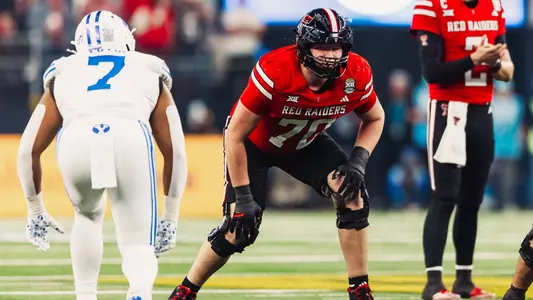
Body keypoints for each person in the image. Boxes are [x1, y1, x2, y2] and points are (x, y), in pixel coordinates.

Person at [167, 8, 385, 300]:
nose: (332, 55)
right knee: (239, 227)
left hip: (304, 142)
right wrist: (243, 197)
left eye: (337, 47)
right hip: (253, 145)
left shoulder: (356, 73)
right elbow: (235, 134)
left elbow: (375, 118)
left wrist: (358, 161)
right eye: (324, 46)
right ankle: (186, 290)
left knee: (352, 194)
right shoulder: (276, 69)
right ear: (304, 47)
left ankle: (360, 289)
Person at [16, 11, 187, 300]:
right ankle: (139, 294)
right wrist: (170, 216)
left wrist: (35, 207)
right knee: (137, 243)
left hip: (76, 137)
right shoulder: (147, 66)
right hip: (129, 133)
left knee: (86, 216)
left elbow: (27, 150)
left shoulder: (64, 70)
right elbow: (176, 152)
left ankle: (85, 295)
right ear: (125, 37)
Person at [410, 0, 514, 299]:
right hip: (448, 111)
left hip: (483, 110)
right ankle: (433, 285)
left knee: (472, 200)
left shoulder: (494, 7)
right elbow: (432, 71)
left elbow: (507, 71)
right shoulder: (432, 7)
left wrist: (492, 62)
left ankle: (464, 281)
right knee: (445, 197)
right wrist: (474, 59)